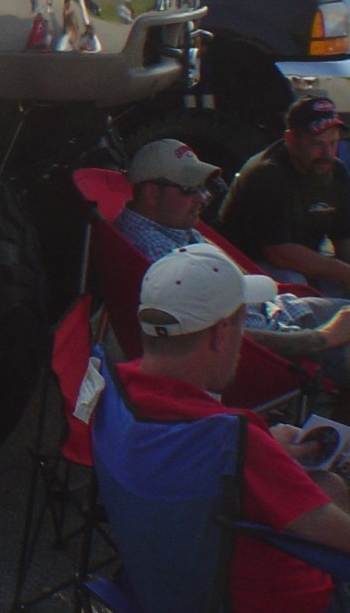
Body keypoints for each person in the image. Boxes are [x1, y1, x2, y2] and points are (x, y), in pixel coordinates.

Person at [111, 244, 350, 611]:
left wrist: (270, 450)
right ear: (222, 333)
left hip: (164, 585)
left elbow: (203, 459)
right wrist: (263, 453)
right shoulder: (233, 440)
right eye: (243, 322)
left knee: (329, 484)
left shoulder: (116, 393)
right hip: (290, 601)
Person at [114, 138, 350, 378]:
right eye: (190, 188)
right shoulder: (160, 260)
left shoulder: (171, 226)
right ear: (152, 194)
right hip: (277, 348)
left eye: (203, 186)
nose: (203, 197)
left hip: (278, 311)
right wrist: (323, 337)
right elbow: (219, 337)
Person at [220, 97, 350, 294]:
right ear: (291, 139)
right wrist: (345, 273)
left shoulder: (335, 171)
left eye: (333, 143)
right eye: (317, 143)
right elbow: (279, 253)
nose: (327, 153)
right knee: (294, 282)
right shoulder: (267, 174)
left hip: (299, 264)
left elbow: (344, 240)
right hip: (245, 270)